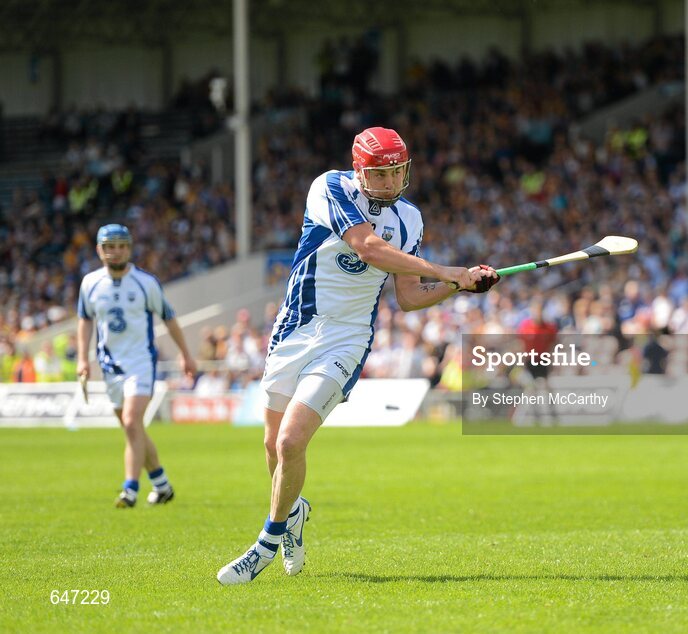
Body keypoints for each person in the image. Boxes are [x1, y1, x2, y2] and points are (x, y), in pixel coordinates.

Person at [217, 127, 499, 585]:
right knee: (272, 449)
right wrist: (448, 270)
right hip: (294, 329)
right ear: (359, 169)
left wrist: (456, 286)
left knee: (291, 442)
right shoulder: (329, 187)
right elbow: (367, 247)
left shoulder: (410, 219)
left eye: (396, 173)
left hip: (346, 339)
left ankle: (266, 543)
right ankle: (294, 512)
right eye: (379, 174)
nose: (389, 184)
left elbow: (408, 297)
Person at [76, 224, 197, 508]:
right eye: (109, 246)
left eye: (120, 246)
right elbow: (85, 320)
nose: (115, 252)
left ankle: (129, 489)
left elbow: (168, 317)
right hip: (109, 366)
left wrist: (185, 354)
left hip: (141, 363)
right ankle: (162, 484)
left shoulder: (146, 283)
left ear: (129, 249)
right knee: (134, 430)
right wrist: (82, 358)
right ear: (99, 250)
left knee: (132, 422)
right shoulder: (90, 283)